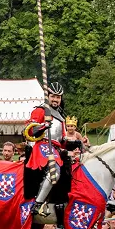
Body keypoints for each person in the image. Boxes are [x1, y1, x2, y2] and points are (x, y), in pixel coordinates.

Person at [23, 82, 70, 215]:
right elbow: (30, 131)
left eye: (58, 97)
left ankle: (61, 203)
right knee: (53, 171)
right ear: (48, 96)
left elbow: (63, 141)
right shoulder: (40, 110)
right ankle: (37, 204)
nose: (55, 100)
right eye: (53, 96)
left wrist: (77, 143)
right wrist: (44, 126)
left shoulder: (61, 118)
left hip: (56, 148)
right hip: (42, 146)